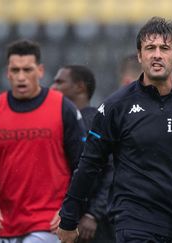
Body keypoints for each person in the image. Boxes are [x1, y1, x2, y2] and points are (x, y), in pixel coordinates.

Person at [56, 16, 172, 243]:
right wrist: (69, 217)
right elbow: (89, 164)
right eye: (150, 48)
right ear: (140, 56)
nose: (157, 54)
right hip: (133, 221)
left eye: (164, 48)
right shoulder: (116, 106)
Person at [0, 39, 87, 242]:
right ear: (8, 73)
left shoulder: (62, 108)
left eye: (27, 69)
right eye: (15, 70)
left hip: (48, 224)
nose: (21, 77)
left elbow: (83, 165)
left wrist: (70, 210)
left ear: (40, 71)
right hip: (6, 225)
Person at [52, 65, 115, 243]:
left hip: (93, 226)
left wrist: (93, 214)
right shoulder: (64, 124)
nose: (53, 87)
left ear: (79, 87)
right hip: (66, 220)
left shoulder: (95, 123)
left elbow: (112, 171)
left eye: (59, 82)